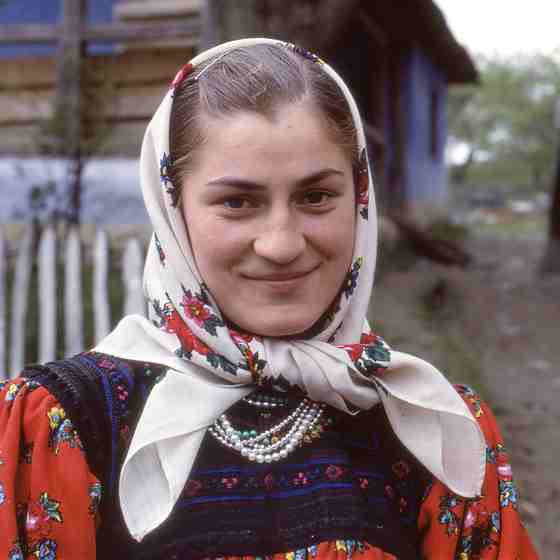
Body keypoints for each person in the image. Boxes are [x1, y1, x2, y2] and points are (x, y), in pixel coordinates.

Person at [0, 38, 538, 559]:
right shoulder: (65, 426)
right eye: (237, 202)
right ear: (172, 211)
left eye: (316, 196)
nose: (281, 244)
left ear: (360, 200)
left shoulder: (433, 427)